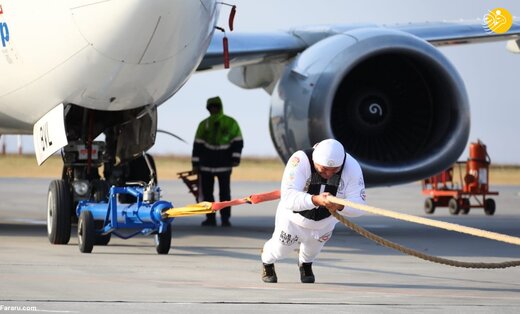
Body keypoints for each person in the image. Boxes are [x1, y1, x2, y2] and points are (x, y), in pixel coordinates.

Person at [261, 139, 366, 283]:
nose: (329, 174)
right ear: (315, 160)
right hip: (293, 220)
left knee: (313, 250)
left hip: (325, 222)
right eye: (323, 169)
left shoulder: (352, 166)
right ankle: (267, 261)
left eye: (335, 170)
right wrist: (315, 200)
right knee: (280, 250)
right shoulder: (299, 160)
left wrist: (340, 206)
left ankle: (305, 264)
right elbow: (288, 197)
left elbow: (360, 204)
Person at [192, 96, 243, 227]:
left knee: (225, 194)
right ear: (208, 109)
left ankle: (225, 218)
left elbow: (238, 142)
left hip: (224, 165)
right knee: (208, 194)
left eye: (215, 107)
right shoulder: (203, 124)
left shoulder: (230, 123)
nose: (213, 109)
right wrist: (195, 164)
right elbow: (197, 145)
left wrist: (235, 158)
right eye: (211, 107)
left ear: (220, 107)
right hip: (206, 166)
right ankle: (210, 218)